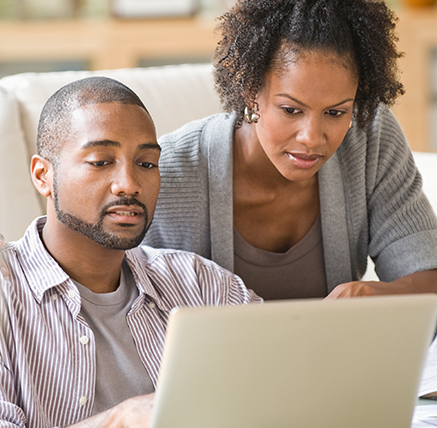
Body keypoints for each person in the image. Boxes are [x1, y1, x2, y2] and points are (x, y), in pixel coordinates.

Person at [0, 76, 260, 428]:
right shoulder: (5, 290)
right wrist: (117, 421)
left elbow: (288, 389)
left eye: (147, 163)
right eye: (101, 161)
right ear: (43, 176)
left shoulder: (201, 285)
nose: (129, 183)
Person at [143, 0, 437, 300]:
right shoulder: (166, 174)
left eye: (335, 113)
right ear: (250, 90)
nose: (311, 138)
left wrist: (384, 294)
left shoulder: (369, 138)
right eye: (291, 110)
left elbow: (427, 275)